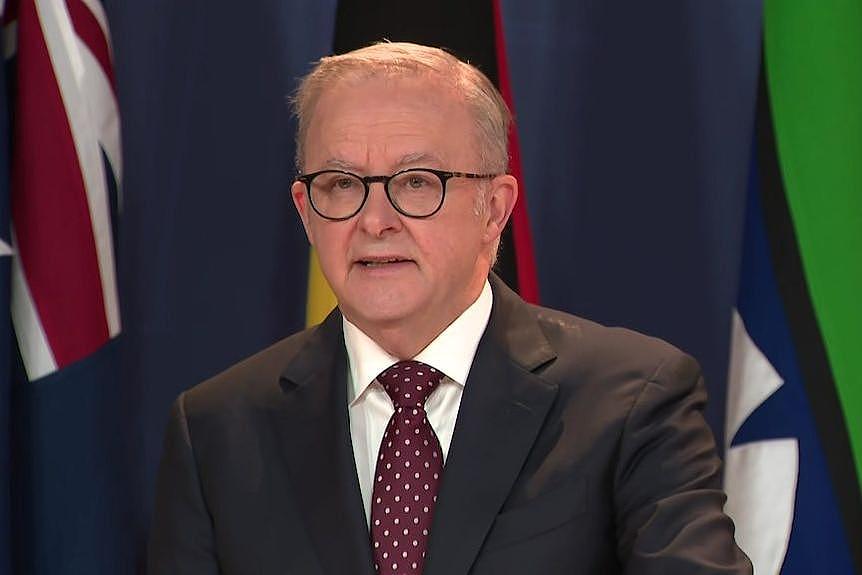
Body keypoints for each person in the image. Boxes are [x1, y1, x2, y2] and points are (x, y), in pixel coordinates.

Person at [148, 41, 752, 575]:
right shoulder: (216, 430)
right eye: (341, 183)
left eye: (416, 181)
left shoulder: (631, 400)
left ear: (494, 208)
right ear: (306, 212)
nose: (375, 222)